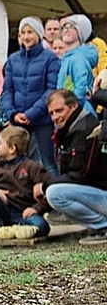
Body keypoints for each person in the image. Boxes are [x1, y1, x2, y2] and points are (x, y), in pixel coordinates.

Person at [37, 90, 107, 244]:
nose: (55, 117)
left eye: (59, 111)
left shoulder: (85, 129)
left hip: (102, 191)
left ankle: (103, 227)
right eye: (52, 113)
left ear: (74, 105)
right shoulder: (70, 129)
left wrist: (44, 187)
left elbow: (80, 175)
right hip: (97, 191)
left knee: (55, 193)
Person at [1, 16, 60, 177]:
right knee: (17, 163)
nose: (26, 37)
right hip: (17, 119)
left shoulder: (50, 58)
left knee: (48, 162)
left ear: (39, 35)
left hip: (43, 120)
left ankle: (52, 197)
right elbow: (7, 90)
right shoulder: (13, 60)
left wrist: (31, 114)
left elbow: (51, 90)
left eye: (30, 32)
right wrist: (12, 113)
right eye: (23, 32)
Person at [0, 126, 52, 239]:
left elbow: (47, 192)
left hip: (24, 213)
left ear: (12, 149)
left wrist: (36, 209)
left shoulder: (32, 167)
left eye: (0, 143)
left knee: (41, 226)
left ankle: (19, 228)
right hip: (5, 211)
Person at [57, 14, 97, 116]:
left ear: (81, 32)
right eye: (65, 27)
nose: (66, 30)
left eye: (72, 27)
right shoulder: (67, 58)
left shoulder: (77, 58)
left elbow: (80, 88)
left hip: (78, 113)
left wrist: (71, 110)